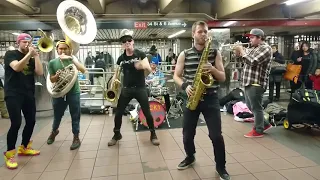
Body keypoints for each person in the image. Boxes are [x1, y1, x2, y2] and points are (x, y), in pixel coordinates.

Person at [173, 21, 230, 180]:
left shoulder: (214, 52)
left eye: (205, 31)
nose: (203, 34)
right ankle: (190, 156)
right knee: (187, 134)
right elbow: (176, 76)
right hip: (192, 97)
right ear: (193, 34)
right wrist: (185, 86)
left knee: (216, 136)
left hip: (211, 98)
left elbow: (223, 77)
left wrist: (212, 69)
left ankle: (221, 167)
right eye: (200, 32)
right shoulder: (184, 54)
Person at [108, 29, 160, 146]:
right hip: (126, 89)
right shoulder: (121, 58)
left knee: (147, 112)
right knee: (118, 112)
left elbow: (149, 69)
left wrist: (141, 66)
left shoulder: (140, 54)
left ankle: (153, 134)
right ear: (122, 44)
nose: (127, 42)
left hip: (140, 88)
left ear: (133, 41)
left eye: (129, 40)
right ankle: (117, 134)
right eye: (124, 41)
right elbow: (116, 72)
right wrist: (113, 82)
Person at [3, 33, 44, 169]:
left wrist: (36, 56)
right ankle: (10, 154)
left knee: (31, 121)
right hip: (13, 94)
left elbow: (39, 72)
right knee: (16, 123)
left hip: (28, 94)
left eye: (29, 42)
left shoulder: (32, 58)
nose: (27, 44)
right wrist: (28, 55)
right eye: (24, 42)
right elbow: (17, 67)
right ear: (18, 43)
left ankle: (24, 147)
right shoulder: (11, 54)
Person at [46, 40, 86, 150]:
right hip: (59, 93)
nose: (63, 50)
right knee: (57, 115)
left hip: (73, 92)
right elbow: (52, 79)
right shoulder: (52, 63)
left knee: (75, 115)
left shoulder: (73, 60)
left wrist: (72, 59)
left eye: (65, 48)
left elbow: (83, 70)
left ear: (69, 49)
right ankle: (54, 131)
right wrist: (57, 76)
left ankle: (76, 137)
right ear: (57, 50)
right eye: (60, 48)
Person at [234, 28, 273, 138]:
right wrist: (238, 52)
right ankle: (264, 124)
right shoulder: (253, 48)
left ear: (259, 38)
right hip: (248, 81)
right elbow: (244, 60)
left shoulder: (266, 48)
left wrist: (242, 51)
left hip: (256, 82)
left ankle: (258, 130)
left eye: (252, 37)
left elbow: (252, 61)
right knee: (251, 106)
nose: (249, 39)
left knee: (256, 107)